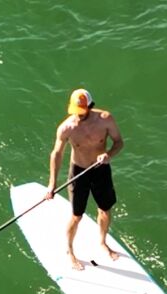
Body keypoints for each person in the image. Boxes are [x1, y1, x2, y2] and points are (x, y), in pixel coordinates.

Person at [46, 88, 125, 270]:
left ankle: (103, 242)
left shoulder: (105, 119)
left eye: (81, 112)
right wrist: (52, 184)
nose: (78, 116)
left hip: (101, 169)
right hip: (78, 172)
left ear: (90, 106)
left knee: (105, 210)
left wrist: (108, 154)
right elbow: (56, 154)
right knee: (77, 216)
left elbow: (119, 142)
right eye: (75, 111)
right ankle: (70, 251)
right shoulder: (66, 128)